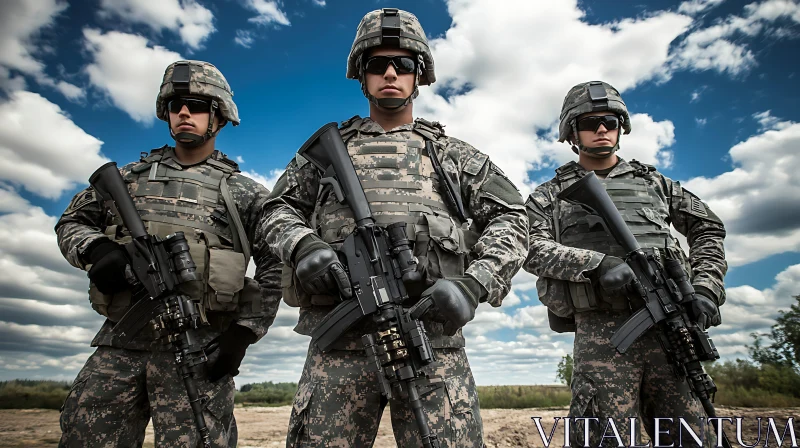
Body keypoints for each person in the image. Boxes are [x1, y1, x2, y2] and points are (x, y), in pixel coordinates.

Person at [255, 8, 528, 447]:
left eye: (402, 64)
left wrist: (475, 283)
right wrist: (303, 245)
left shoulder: (452, 155)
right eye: (376, 64)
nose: (389, 73)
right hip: (340, 344)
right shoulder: (327, 153)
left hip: (431, 340)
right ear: (360, 76)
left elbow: (514, 218)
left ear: (418, 75)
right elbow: (274, 210)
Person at [55, 60, 281, 447]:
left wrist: (244, 332)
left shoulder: (243, 193)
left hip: (199, 346)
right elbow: (71, 222)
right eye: (175, 106)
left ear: (219, 116)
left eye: (195, 105)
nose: (183, 113)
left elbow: (275, 265)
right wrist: (96, 250)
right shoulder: (128, 180)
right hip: (121, 342)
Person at [524, 80, 727, 446]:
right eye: (590, 122)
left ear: (621, 127)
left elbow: (708, 228)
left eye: (610, 121)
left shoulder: (655, 184)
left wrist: (705, 288)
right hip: (602, 335)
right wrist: (594, 264)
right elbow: (527, 246)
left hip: (670, 329)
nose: (602, 129)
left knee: (695, 437)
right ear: (572, 131)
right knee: (605, 438)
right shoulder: (550, 195)